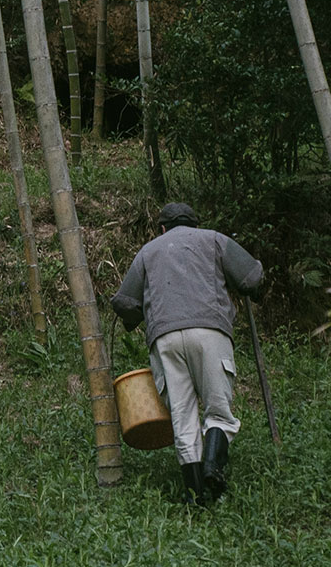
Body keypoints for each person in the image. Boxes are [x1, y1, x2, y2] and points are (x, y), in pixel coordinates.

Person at [111, 202, 263, 504]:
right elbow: (252, 278)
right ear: (195, 224)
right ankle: (213, 469)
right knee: (218, 410)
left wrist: (134, 319)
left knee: (182, 416)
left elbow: (125, 302)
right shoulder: (215, 239)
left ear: (163, 228)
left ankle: (196, 495)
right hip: (210, 332)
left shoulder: (148, 251)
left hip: (164, 338)